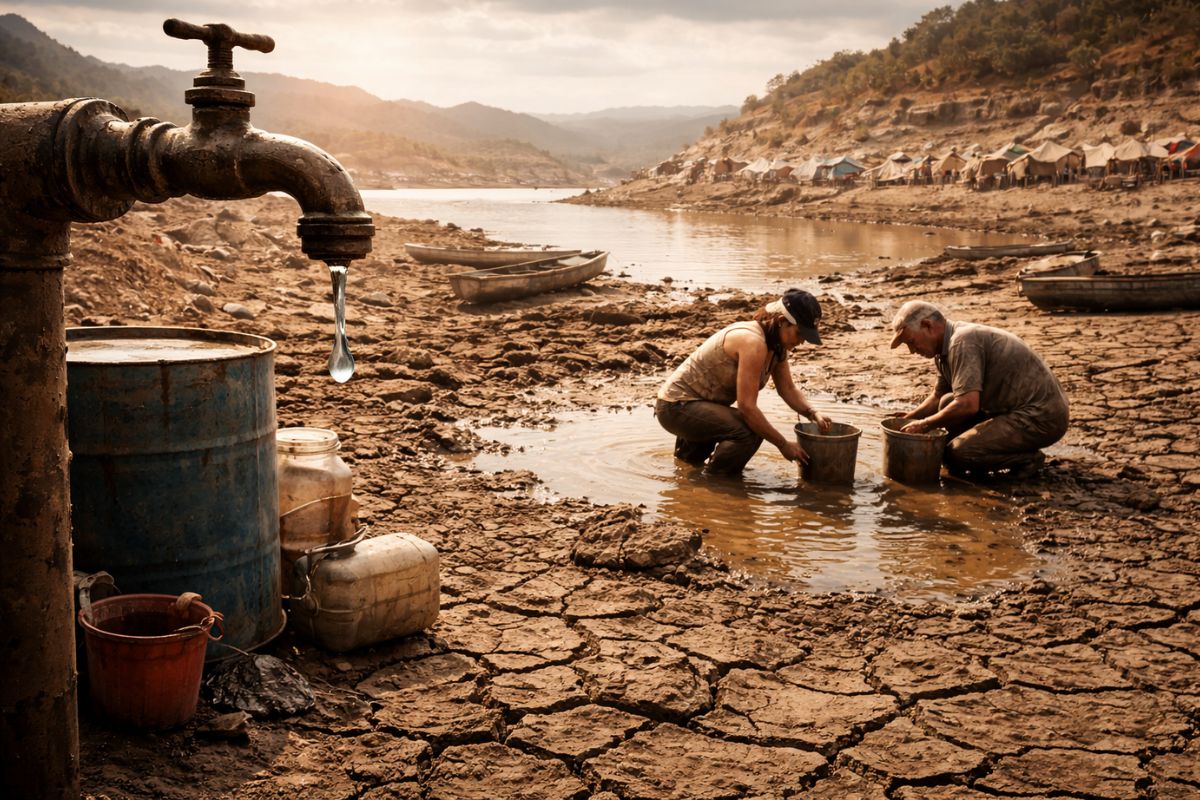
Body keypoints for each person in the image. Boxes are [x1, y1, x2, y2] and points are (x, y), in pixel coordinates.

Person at [655, 288, 831, 475]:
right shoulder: (753, 342)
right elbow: (747, 408)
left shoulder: (776, 346)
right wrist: (783, 444)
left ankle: (692, 477)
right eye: (799, 333)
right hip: (676, 406)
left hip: (702, 406)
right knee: (750, 431)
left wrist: (813, 413)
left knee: (690, 465)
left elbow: (787, 388)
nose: (802, 341)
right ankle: (715, 484)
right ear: (781, 322)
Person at [888, 300, 1068, 479]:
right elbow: (938, 396)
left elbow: (968, 405)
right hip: (1012, 410)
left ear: (928, 325)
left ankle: (1027, 459)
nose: (912, 350)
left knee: (958, 454)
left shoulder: (962, 341)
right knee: (946, 402)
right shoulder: (943, 352)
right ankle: (984, 451)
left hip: (1042, 417)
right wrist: (910, 418)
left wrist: (924, 424)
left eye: (911, 342)